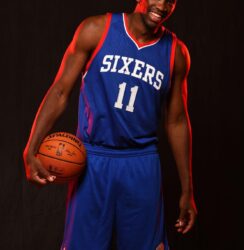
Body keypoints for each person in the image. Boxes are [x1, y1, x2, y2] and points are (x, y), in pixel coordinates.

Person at [23, 0, 197, 249]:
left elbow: (177, 121)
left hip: (142, 163)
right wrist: (31, 148)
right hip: (93, 160)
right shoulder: (96, 29)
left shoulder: (176, 53)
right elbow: (60, 91)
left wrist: (187, 189)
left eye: (170, 0)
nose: (163, 5)